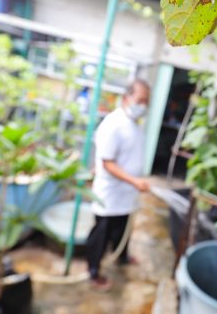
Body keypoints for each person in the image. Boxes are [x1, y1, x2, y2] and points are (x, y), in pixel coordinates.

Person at [86, 79, 151, 290]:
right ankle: (93, 273)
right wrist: (135, 181)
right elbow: (107, 162)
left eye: (146, 102)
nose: (143, 106)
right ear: (126, 98)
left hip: (126, 194)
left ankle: (121, 257)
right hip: (110, 194)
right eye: (140, 100)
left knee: (122, 229)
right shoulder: (113, 124)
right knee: (101, 234)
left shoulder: (133, 124)